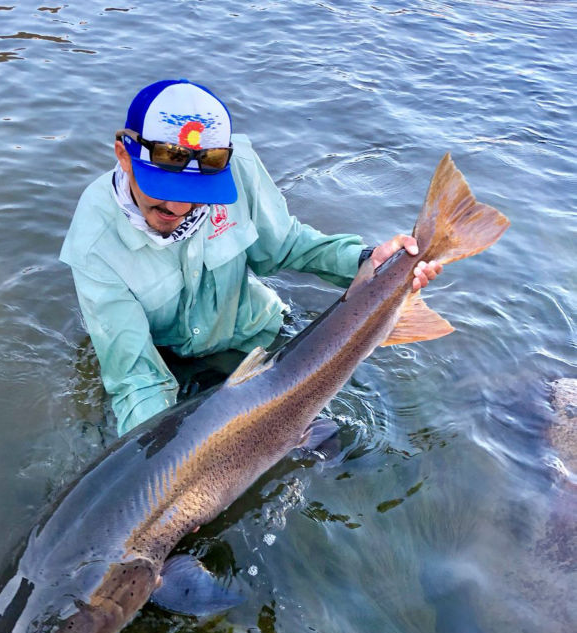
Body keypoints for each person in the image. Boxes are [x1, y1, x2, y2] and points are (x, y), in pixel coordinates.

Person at [60, 79, 442, 436]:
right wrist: (157, 463)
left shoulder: (236, 165)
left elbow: (287, 245)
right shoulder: (94, 244)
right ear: (123, 156)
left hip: (254, 334)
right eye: (164, 187)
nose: (178, 206)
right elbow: (136, 378)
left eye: (197, 191)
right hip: (170, 362)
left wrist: (366, 262)